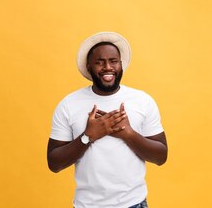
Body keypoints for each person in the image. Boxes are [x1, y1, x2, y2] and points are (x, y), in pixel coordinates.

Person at [47, 32, 168, 208]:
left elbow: (161, 157)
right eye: (99, 62)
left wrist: (128, 134)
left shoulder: (142, 100)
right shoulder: (69, 104)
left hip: (133, 204)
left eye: (113, 61)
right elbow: (54, 163)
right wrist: (88, 136)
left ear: (121, 64)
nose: (107, 67)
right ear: (88, 67)